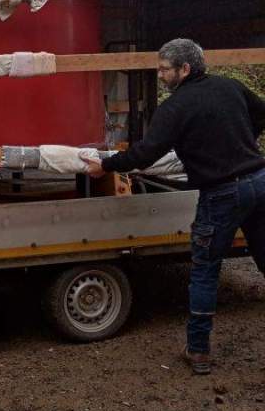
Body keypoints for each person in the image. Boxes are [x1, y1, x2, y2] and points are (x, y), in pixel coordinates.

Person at [84, 38, 265, 376]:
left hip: (222, 193)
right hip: (259, 180)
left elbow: (145, 154)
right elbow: (261, 115)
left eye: (165, 69)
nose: (160, 74)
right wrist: (241, 143)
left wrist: (105, 165)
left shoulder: (176, 107)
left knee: (205, 270)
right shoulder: (230, 87)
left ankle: (198, 351)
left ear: (185, 69)